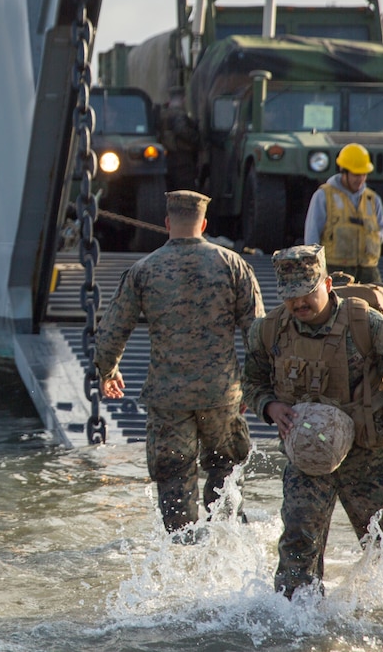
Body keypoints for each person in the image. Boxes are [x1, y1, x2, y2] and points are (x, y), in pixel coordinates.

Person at [242, 244, 383, 599]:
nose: (298, 303)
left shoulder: (367, 326)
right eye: (290, 296)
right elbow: (251, 383)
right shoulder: (267, 332)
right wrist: (269, 406)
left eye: (307, 293)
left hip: (369, 453)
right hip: (308, 456)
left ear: (327, 284)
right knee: (299, 539)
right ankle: (297, 615)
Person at [94, 190, 264, 538]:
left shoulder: (143, 270)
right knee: (225, 471)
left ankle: (181, 551)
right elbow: (258, 334)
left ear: (167, 223)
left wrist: (108, 371)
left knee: (173, 478)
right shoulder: (233, 265)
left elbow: (111, 331)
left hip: (168, 400)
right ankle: (225, 546)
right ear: (204, 223)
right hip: (223, 394)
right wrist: (254, 384)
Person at [303, 142, 383, 283]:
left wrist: (372, 242)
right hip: (336, 270)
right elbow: (312, 234)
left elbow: (382, 228)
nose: (360, 179)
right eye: (356, 175)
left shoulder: (372, 199)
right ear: (344, 171)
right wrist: (316, 269)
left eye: (363, 175)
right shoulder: (324, 196)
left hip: (368, 270)